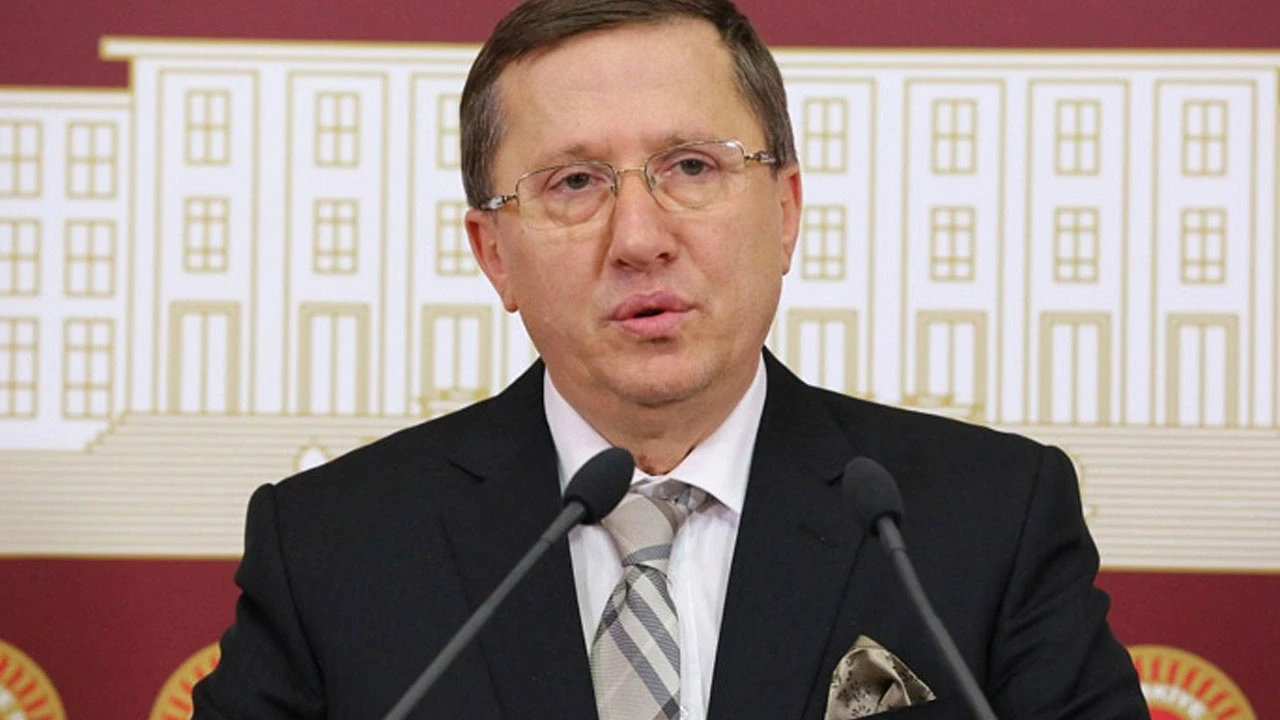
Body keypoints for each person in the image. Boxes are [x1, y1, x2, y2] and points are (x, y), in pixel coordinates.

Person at [192, 1, 1150, 718]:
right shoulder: (334, 549)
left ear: (785, 211)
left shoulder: (986, 521)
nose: (640, 238)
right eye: (574, 182)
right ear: (494, 255)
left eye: (692, 166)